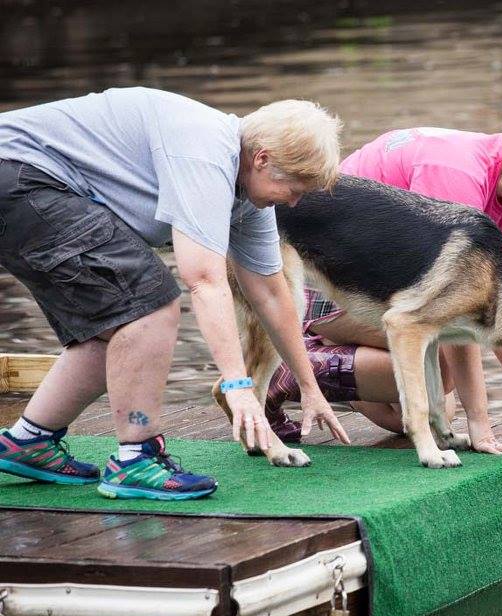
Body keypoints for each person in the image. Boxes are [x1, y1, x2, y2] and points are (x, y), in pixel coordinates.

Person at [0, 87, 350, 501]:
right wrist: (238, 386)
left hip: (30, 184)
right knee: (149, 304)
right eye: (295, 188)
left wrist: (310, 387)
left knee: (115, 326)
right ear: (262, 159)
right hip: (21, 176)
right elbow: (203, 279)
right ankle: (136, 459)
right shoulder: (204, 154)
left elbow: (272, 294)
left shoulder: (248, 198)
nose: (294, 202)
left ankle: (30, 441)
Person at [266, 86, 502, 453]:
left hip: (389, 288)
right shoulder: (457, 173)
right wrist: (482, 427)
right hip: (321, 270)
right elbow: (459, 313)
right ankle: (295, 367)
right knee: (440, 370)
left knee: (426, 407)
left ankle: (334, 370)